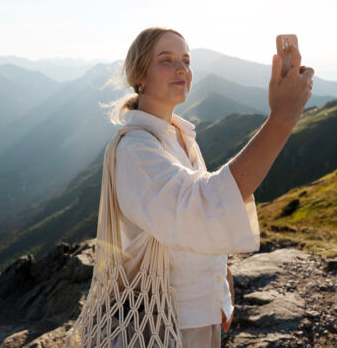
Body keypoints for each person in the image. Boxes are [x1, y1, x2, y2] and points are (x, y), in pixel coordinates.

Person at [107, 26, 314, 348]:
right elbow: (202, 207)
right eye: (166, 60)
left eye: (186, 60)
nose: (181, 69)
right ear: (139, 75)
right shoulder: (136, 149)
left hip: (197, 311)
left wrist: (222, 287)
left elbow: (200, 224)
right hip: (163, 322)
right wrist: (282, 118)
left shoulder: (179, 136)